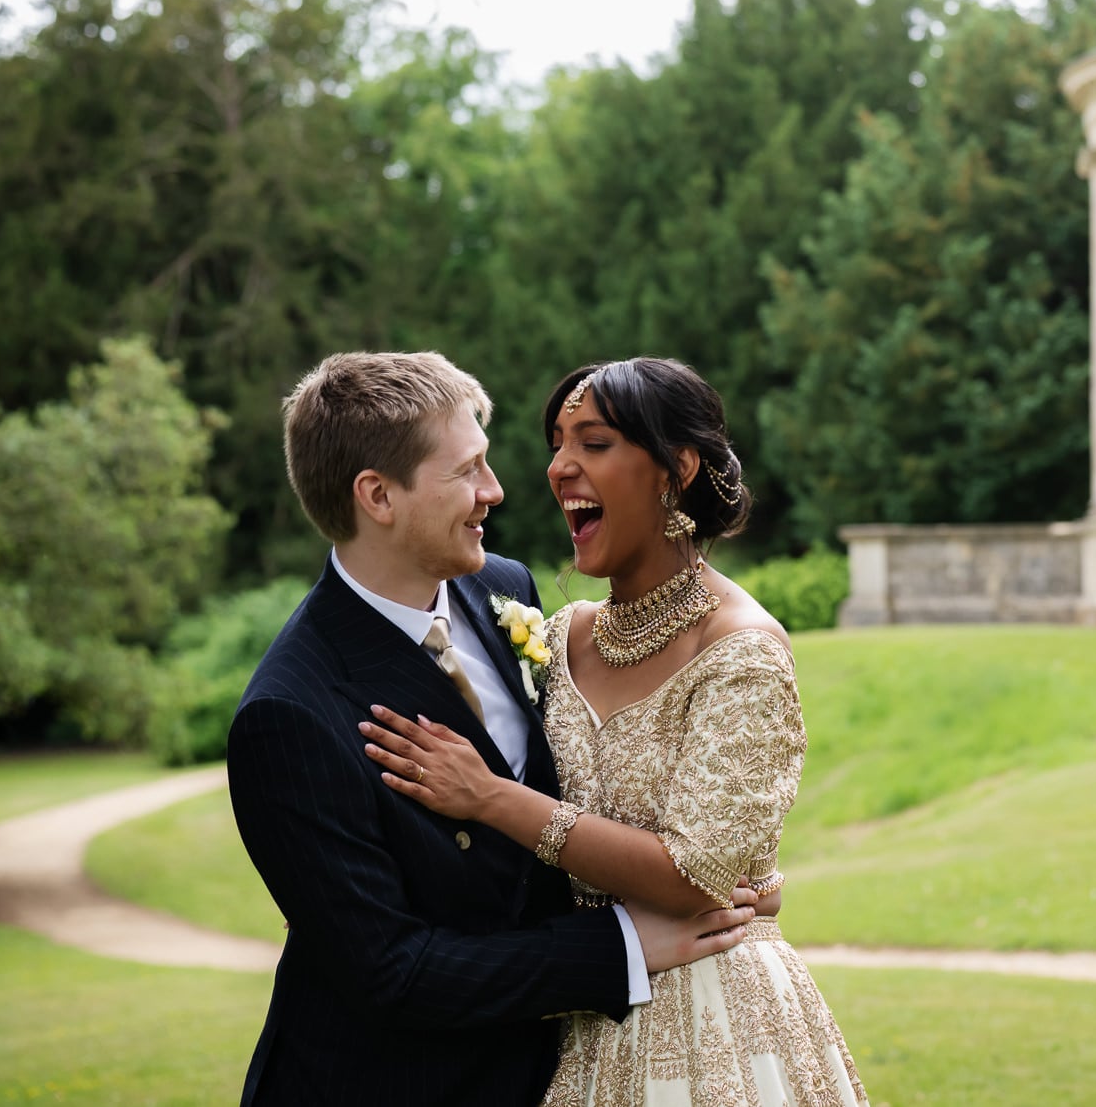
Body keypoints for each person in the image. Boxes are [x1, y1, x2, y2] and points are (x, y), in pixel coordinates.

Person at [228, 351, 769, 1107]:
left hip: (548, 1072)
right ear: (378, 495)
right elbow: (396, 972)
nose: (498, 490)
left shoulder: (502, 588)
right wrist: (620, 947)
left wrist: (720, 875)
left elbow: (590, 788)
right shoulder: (289, 715)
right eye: (467, 471)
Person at [358, 357, 868, 1106]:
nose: (559, 466)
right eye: (557, 443)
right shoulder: (557, 635)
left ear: (676, 468)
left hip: (714, 1015)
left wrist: (492, 798)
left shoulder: (741, 649)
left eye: (593, 443)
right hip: (574, 1012)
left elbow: (697, 874)